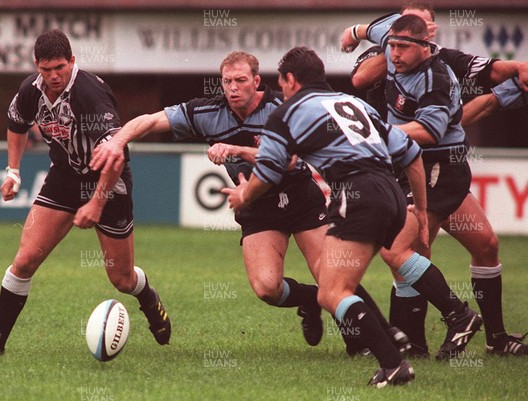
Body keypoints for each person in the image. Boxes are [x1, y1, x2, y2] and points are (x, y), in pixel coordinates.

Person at [90, 51, 409, 352]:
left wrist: (235, 149)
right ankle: (310, 300)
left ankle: (377, 337)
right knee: (266, 288)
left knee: (331, 273)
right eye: (227, 81)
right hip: (258, 207)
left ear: (257, 81)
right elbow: (148, 120)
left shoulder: (281, 108)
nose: (232, 88)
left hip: (300, 196)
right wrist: (117, 142)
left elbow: (289, 160)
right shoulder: (207, 112)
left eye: (240, 80)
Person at [223, 46, 482, 386]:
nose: (281, 89)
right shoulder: (354, 103)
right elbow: (411, 153)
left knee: (331, 292)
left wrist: (244, 194)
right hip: (390, 192)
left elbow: (270, 170)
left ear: (289, 80)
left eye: (281, 82)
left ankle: (394, 364)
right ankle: (431, 326)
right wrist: (419, 208)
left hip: (357, 193)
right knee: (353, 276)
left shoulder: (287, 112)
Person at [342, 5, 528, 358]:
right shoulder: (392, 41)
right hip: (411, 166)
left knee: (397, 251)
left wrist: (371, 133)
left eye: (403, 46)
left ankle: (461, 320)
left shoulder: (437, 77)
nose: (394, 53)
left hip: (438, 169)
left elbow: (430, 131)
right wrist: (353, 32)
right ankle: (418, 343)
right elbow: (362, 70)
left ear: (428, 40)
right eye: (391, 45)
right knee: (468, 246)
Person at [0, 29, 171, 356]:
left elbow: (116, 155)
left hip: (108, 179)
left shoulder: (91, 94)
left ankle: (147, 297)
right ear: (36, 64)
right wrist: (13, 171)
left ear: (73, 61)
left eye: (60, 68)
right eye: (46, 69)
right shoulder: (29, 91)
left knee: (121, 278)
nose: (53, 76)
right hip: (64, 177)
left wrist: (96, 202)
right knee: (24, 261)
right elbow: (17, 123)